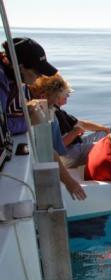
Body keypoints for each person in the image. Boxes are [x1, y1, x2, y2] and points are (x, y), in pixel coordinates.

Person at [1, 37, 85, 199]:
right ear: (20, 66)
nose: (39, 77)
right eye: (37, 71)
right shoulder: (2, 80)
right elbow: (4, 126)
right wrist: (29, 120)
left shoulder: (15, 81)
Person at [29, 73, 111, 174]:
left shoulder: (57, 110)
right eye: (66, 94)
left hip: (74, 147)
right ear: (57, 95)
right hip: (68, 155)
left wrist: (105, 129)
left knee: (104, 134)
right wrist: (75, 133)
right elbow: (58, 147)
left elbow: (83, 124)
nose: (67, 97)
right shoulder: (53, 115)